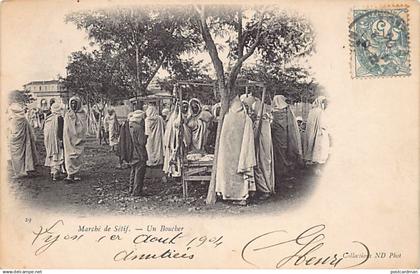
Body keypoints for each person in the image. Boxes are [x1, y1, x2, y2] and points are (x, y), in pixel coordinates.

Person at [215, 96, 256, 206]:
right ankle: (242, 195)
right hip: (241, 152)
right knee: (240, 174)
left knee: (228, 173)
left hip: (228, 152)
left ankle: (227, 194)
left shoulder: (227, 117)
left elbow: (223, 138)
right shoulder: (246, 118)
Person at [271, 95, 302, 187]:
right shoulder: (286, 110)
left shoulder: (276, 112)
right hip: (282, 137)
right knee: (282, 156)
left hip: (280, 138)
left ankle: (283, 176)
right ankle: (283, 175)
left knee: (281, 156)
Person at [7, 103, 39, 178]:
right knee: (23, 155)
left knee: (16, 156)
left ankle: (19, 172)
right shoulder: (23, 119)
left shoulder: (14, 120)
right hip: (23, 141)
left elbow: (13, 132)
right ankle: (24, 170)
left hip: (15, 141)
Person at [252, 100, 275, 199]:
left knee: (260, 167)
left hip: (261, 149)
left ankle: (265, 190)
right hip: (265, 150)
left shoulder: (260, 122)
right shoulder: (266, 121)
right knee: (266, 167)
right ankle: (267, 188)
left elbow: (255, 136)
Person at [303, 96, 330, 174]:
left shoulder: (311, 111)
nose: (326, 105)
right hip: (320, 133)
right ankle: (318, 169)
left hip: (312, 133)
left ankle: (312, 166)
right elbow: (323, 124)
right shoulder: (321, 112)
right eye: (325, 104)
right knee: (320, 150)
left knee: (313, 149)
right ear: (321, 103)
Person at [63, 96, 87, 182]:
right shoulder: (67, 114)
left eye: (75, 103)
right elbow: (66, 128)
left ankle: (76, 173)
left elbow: (83, 127)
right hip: (69, 139)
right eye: (72, 103)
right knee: (69, 156)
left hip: (79, 139)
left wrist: (78, 133)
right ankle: (70, 174)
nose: (73, 105)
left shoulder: (82, 114)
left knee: (78, 157)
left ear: (79, 104)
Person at [128, 110, 148, 196]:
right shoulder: (138, 128)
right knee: (139, 173)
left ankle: (131, 188)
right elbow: (142, 142)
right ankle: (137, 191)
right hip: (139, 153)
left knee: (133, 171)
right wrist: (146, 137)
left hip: (132, 152)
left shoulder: (129, 126)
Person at [43, 102, 64, 181]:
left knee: (52, 155)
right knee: (57, 155)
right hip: (57, 141)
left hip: (48, 141)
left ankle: (53, 172)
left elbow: (45, 130)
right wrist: (61, 140)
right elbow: (61, 131)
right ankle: (56, 173)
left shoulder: (48, 118)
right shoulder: (60, 118)